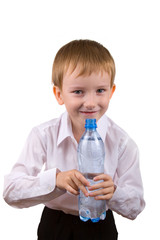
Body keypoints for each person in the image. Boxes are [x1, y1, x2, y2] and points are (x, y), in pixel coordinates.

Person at [3, 39, 145, 240]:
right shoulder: (43, 135)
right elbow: (10, 191)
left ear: (111, 92)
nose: (90, 102)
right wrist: (55, 181)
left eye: (100, 91)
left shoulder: (122, 142)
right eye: (78, 92)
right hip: (55, 224)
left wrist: (114, 192)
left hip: (100, 226)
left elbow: (136, 207)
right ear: (59, 94)